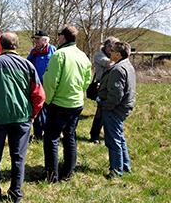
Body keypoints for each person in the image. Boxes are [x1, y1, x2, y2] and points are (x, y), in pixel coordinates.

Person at [0, 32, 45, 203]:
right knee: (18, 158)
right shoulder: (28, 65)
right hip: (21, 119)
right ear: (16, 46)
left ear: (1, 46)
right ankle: (15, 195)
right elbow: (39, 95)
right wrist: (32, 115)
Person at [43, 24, 91, 183]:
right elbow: (86, 81)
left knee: (52, 138)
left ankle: (51, 176)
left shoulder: (59, 55)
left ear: (63, 37)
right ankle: (68, 173)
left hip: (59, 104)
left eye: (59, 35)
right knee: (70, 136)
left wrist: (47, 101)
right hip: (76, 104)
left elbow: (50, 82)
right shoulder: (83, 56)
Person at [97, 41, 136, 179]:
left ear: (118, 54)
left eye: (112, 51)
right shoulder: (127, 65)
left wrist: (106, 107)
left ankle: (116, 172)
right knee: (119, 137)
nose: (110, 52)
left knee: (113, 141)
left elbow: (116, 94)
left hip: (115, 110)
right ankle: (125, 166)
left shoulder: (118, 69)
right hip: (123, 108)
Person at [27, 30, 57, 141]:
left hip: (48, 86)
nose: (35, 41)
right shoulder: (34, 51)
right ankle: (38, 134)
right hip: (35, 85)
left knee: (47, 110)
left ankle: (48, 134)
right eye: (35, 39)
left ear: (45, 40)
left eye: (37, 39)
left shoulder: (53, 50)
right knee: (37, 109)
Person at [89, 37, 119, 144]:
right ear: (107, 47)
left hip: (113, 86)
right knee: (100, 112)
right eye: (113, 47)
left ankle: (109, 134)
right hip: (102, 87)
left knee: (113, 111)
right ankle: (94, 135)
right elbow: (109, 64)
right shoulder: (99, 55)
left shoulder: (115, 57)